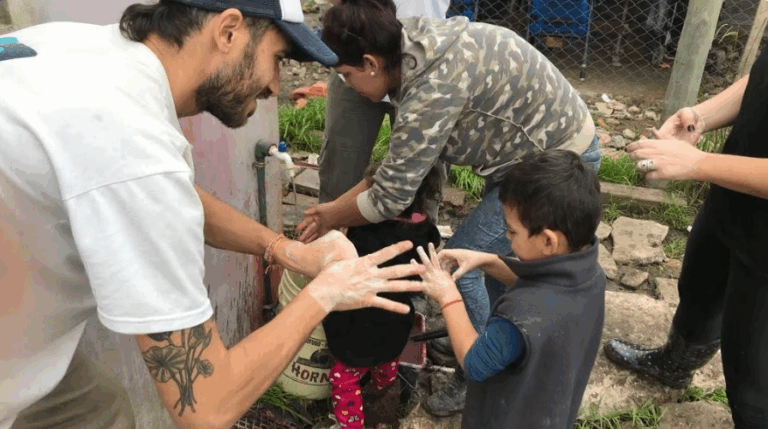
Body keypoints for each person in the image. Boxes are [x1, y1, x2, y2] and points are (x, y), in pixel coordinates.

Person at [0, 1, 427, 428]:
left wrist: (284, 250)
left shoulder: (79, 48)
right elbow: (208, 408)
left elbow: (174, 198)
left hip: (28, 341)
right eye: (276, 59)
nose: (276, 87)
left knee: (96, 411)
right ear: (228, 31)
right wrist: (327, 292)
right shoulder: (132, 148)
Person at [296, 0, 601, 415]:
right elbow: (395, 169)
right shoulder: (412, 44)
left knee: (462, 269)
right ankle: (501, 341)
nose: (346, 85)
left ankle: (477, 368)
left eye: (346, 75)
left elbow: (389, 197)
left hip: (557, 159)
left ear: (370, 63)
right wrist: (334, 209)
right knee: (492, 263)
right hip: (527, 153)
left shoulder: (431, 87)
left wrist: (330, 214)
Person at [603, 46, 768, 428]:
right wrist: (700, 117)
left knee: (753, 378)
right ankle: (674, 366)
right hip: (731, 197)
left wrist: (699, 164)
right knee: (699, 292)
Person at [414, 150, 605, 428]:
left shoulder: (520, 316)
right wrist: (488, 260)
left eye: (513, 232)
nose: (506, 237)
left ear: (548, 241)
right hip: (551, 406)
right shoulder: (589, 274)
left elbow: (475, 363)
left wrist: (448, 295)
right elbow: (541, 280)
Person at [323, 163, 442, 429]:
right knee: (387, 361)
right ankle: (382, 392)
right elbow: (433, 245)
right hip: (396, 321)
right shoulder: (425, 230)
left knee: (344, 377)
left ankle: (352, 423)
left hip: (354, 324)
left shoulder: (361, 230)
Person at [318, 0, 451, 213]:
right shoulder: (353, 73)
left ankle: (417, 241)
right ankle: (326, 234)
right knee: (341, 163)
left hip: (421, 59)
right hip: (357, 54)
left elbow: (400, 172)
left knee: (422, 175)